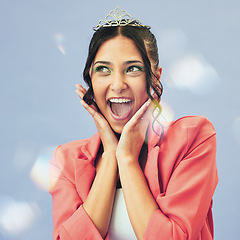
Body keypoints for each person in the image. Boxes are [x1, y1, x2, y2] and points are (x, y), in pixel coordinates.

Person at [49, 6, 218, 240]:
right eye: (103, 70)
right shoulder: (68, 160)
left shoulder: (193, 138)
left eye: (132, 69)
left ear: (155, 77)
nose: (117, 84)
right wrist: (110, 155)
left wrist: (127, 159)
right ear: (91, 80)